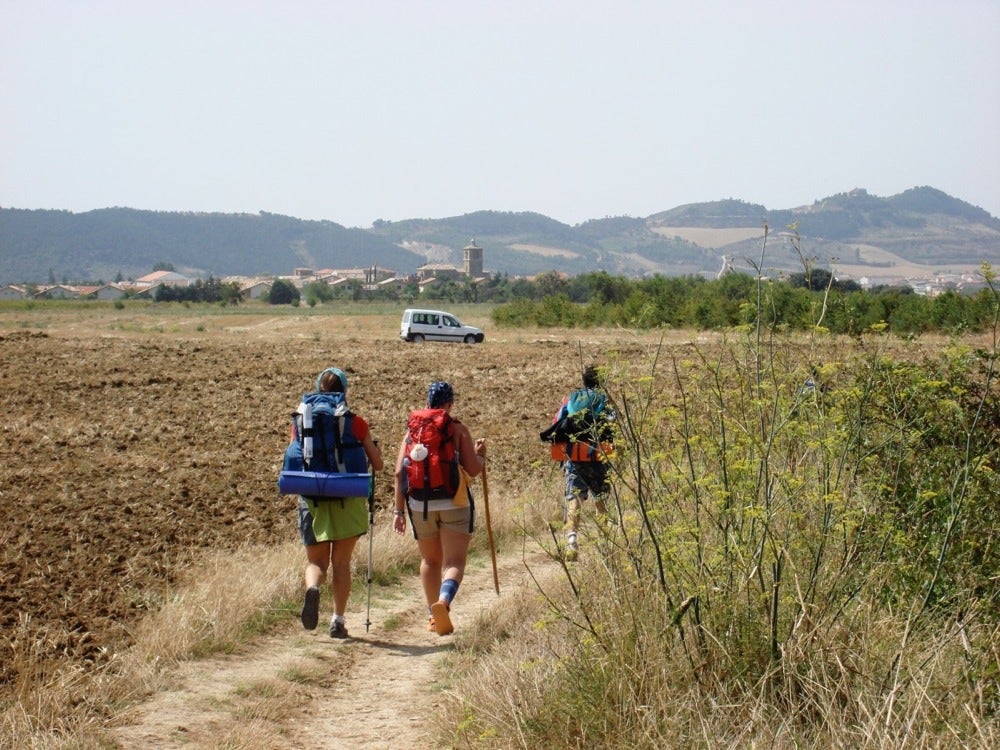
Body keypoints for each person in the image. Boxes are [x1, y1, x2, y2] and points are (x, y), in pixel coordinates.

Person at [292, 367, 383, 639]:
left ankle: (313, 588)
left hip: (312, 500)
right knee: (341, 564)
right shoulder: (356, 423)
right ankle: (337, 621)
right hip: (347, 497)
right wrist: (375, 452)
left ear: (318, 389)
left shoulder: (302, 421)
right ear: (344, 392)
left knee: (317, 563)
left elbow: (298, 458)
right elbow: (377, 464)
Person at [392, 381, 487, 635]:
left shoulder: (413, 431)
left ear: (427, 402)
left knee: (429, 560)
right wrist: (481, 455)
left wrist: (398, 512)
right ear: (449, 404)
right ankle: (443, 602)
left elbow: (400, 472)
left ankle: (432, 617)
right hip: (454, 502)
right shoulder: (456, 428)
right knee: (454, 562)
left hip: (419, 504)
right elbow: (473, 469)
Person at [547, 365, 614, 561]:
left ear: (583, 381)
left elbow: (557, 421)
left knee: (574, 498)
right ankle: (605, 544)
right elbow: (613, 425)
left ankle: (571, 542)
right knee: (600, 499)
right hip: (598, 456)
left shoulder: (571, 399)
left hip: (575, 455)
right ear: (601, 382)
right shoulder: (604, 400)